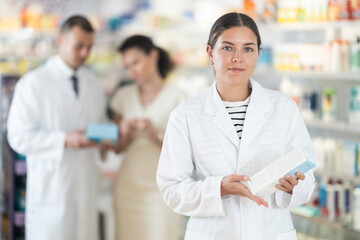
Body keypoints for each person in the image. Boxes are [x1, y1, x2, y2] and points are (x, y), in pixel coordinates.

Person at [156, 12, 317, 240]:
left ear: (258, 55)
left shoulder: (283, 107)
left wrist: (294, 187)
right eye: (228, 48)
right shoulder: (185, 115)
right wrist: (218, 188)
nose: (237, 58)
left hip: (271, 232)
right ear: (210, 53)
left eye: (248, 49)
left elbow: (308, 177)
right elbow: (171, 189)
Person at [7, 15, 106, 240]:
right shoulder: (33, 83)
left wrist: (112, 133)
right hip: (51, 194)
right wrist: (64, 140)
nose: (84, 54)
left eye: (89, 47)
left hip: (85, 188)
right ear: (60, 39)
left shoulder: (92, 82)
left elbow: (98, 125)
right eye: (79, 46)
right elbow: (18, 136)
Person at [109, 35, 185, 240]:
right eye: (127, 66)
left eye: (136, 62)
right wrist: (123, 132)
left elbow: (184, 153)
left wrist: (155, 135)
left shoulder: (179, 97)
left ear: (153, 55)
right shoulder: (123, 97)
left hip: (162, 189)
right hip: (128, 185)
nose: (131, 71)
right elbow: (117, 148)